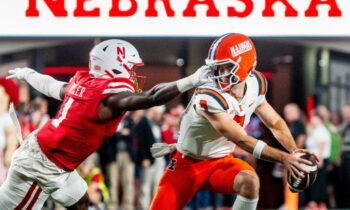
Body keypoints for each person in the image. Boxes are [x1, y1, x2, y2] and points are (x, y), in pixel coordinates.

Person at [0, 39, 210, 210]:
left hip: (53, 155)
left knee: (80, 201)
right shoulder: (110, 97)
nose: (134, 74)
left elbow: (52, 86)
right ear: (115, 66)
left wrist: (28, 74)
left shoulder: (84, 83)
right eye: (131, 67)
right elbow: (152, 97)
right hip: (42, 165)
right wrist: (192, 80)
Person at [150, 33, 314, 210]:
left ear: (245, 66)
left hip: (221, 161)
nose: (220, 74)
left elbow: (274, 122)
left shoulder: (255, 84)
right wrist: (285, 158)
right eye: (218, 68)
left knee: (250, 182)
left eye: (227, 67)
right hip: (187, 163)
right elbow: (241, 140)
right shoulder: (208, 96)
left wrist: (295, 152)